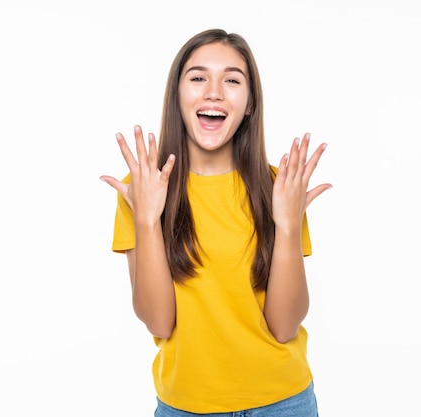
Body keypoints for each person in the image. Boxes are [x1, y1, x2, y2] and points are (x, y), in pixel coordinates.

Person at [100, 28, 331, 417]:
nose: (214, 92)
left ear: (250, 103)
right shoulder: (141, 189)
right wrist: (146, 219)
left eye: (232, 80)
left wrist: (288, 226)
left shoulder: (279, 188)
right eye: (198, 77)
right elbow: (158, 321)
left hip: (284, 402)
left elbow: (285, 326)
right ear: (178, 95)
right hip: (186, 406)